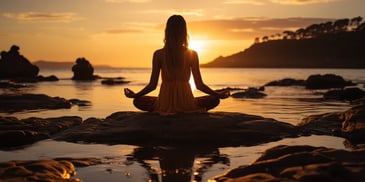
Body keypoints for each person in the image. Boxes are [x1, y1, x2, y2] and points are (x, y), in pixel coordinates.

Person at [124, 15, 229, 115]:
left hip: (164, 104)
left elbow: (152, 85)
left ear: (167, 31)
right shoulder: (192, 54)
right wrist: (217, 94)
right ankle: (186, 108)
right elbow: (199, 85)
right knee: (214, 100)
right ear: (184, 32)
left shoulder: (158, 54)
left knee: (138, 101)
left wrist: (136, 95)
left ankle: (167, 108)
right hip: (187, 103)